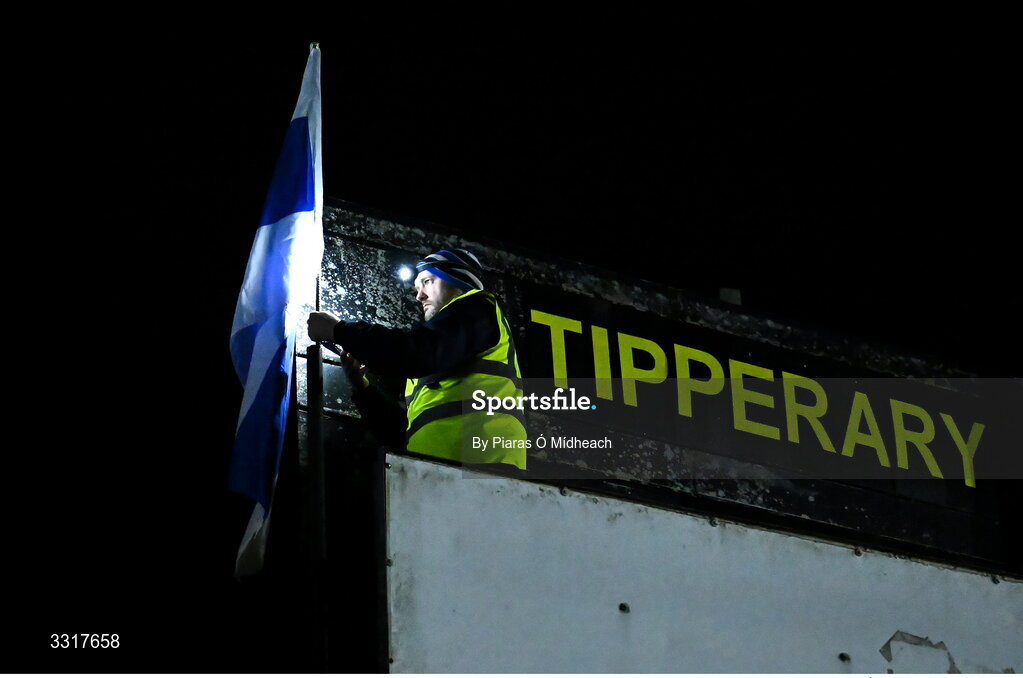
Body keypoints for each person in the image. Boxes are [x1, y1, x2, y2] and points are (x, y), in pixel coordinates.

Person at [307, 248, 527, 469]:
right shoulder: (430, 366)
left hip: (487, 472)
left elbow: (411, 352)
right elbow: (401, 437)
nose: (419, 295)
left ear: (458, 281)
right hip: (437, 478)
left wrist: (339, 331)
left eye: (427, 282)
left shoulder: (479, 307)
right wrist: (362, 388)